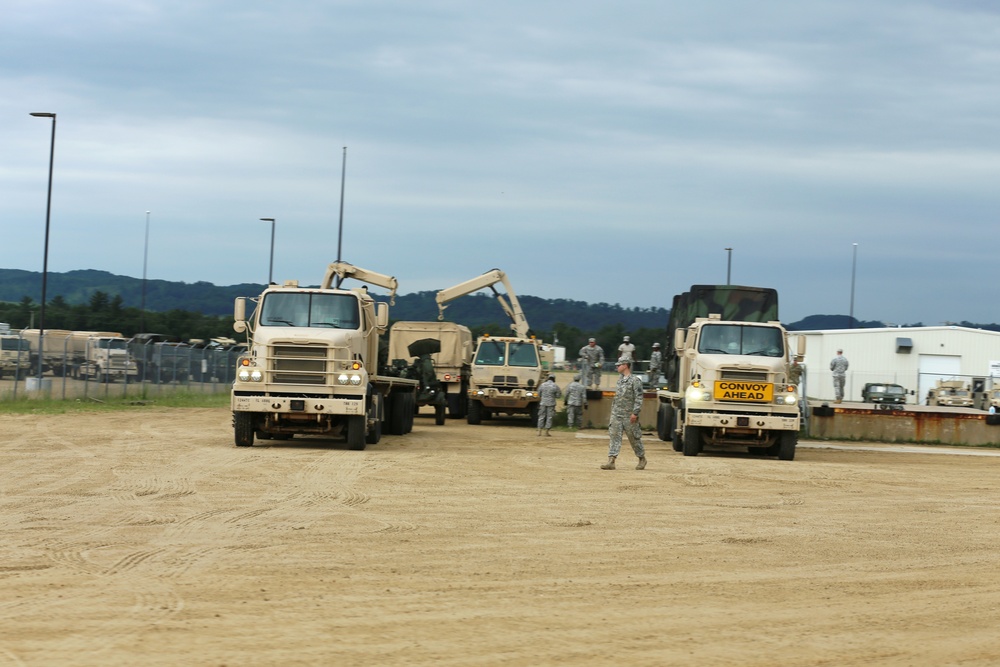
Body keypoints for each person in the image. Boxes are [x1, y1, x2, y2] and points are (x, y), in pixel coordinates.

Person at [600, 358, 647, 470]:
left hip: (629, 415)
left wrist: (635, 413)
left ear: (625, 365)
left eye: (619, 365)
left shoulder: (635, 380)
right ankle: (611, 460)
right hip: (617, 414)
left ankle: (642, 458)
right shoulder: (620, 380)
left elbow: (639, 397)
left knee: (634, 438)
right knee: (614, 436)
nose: (617, 367)